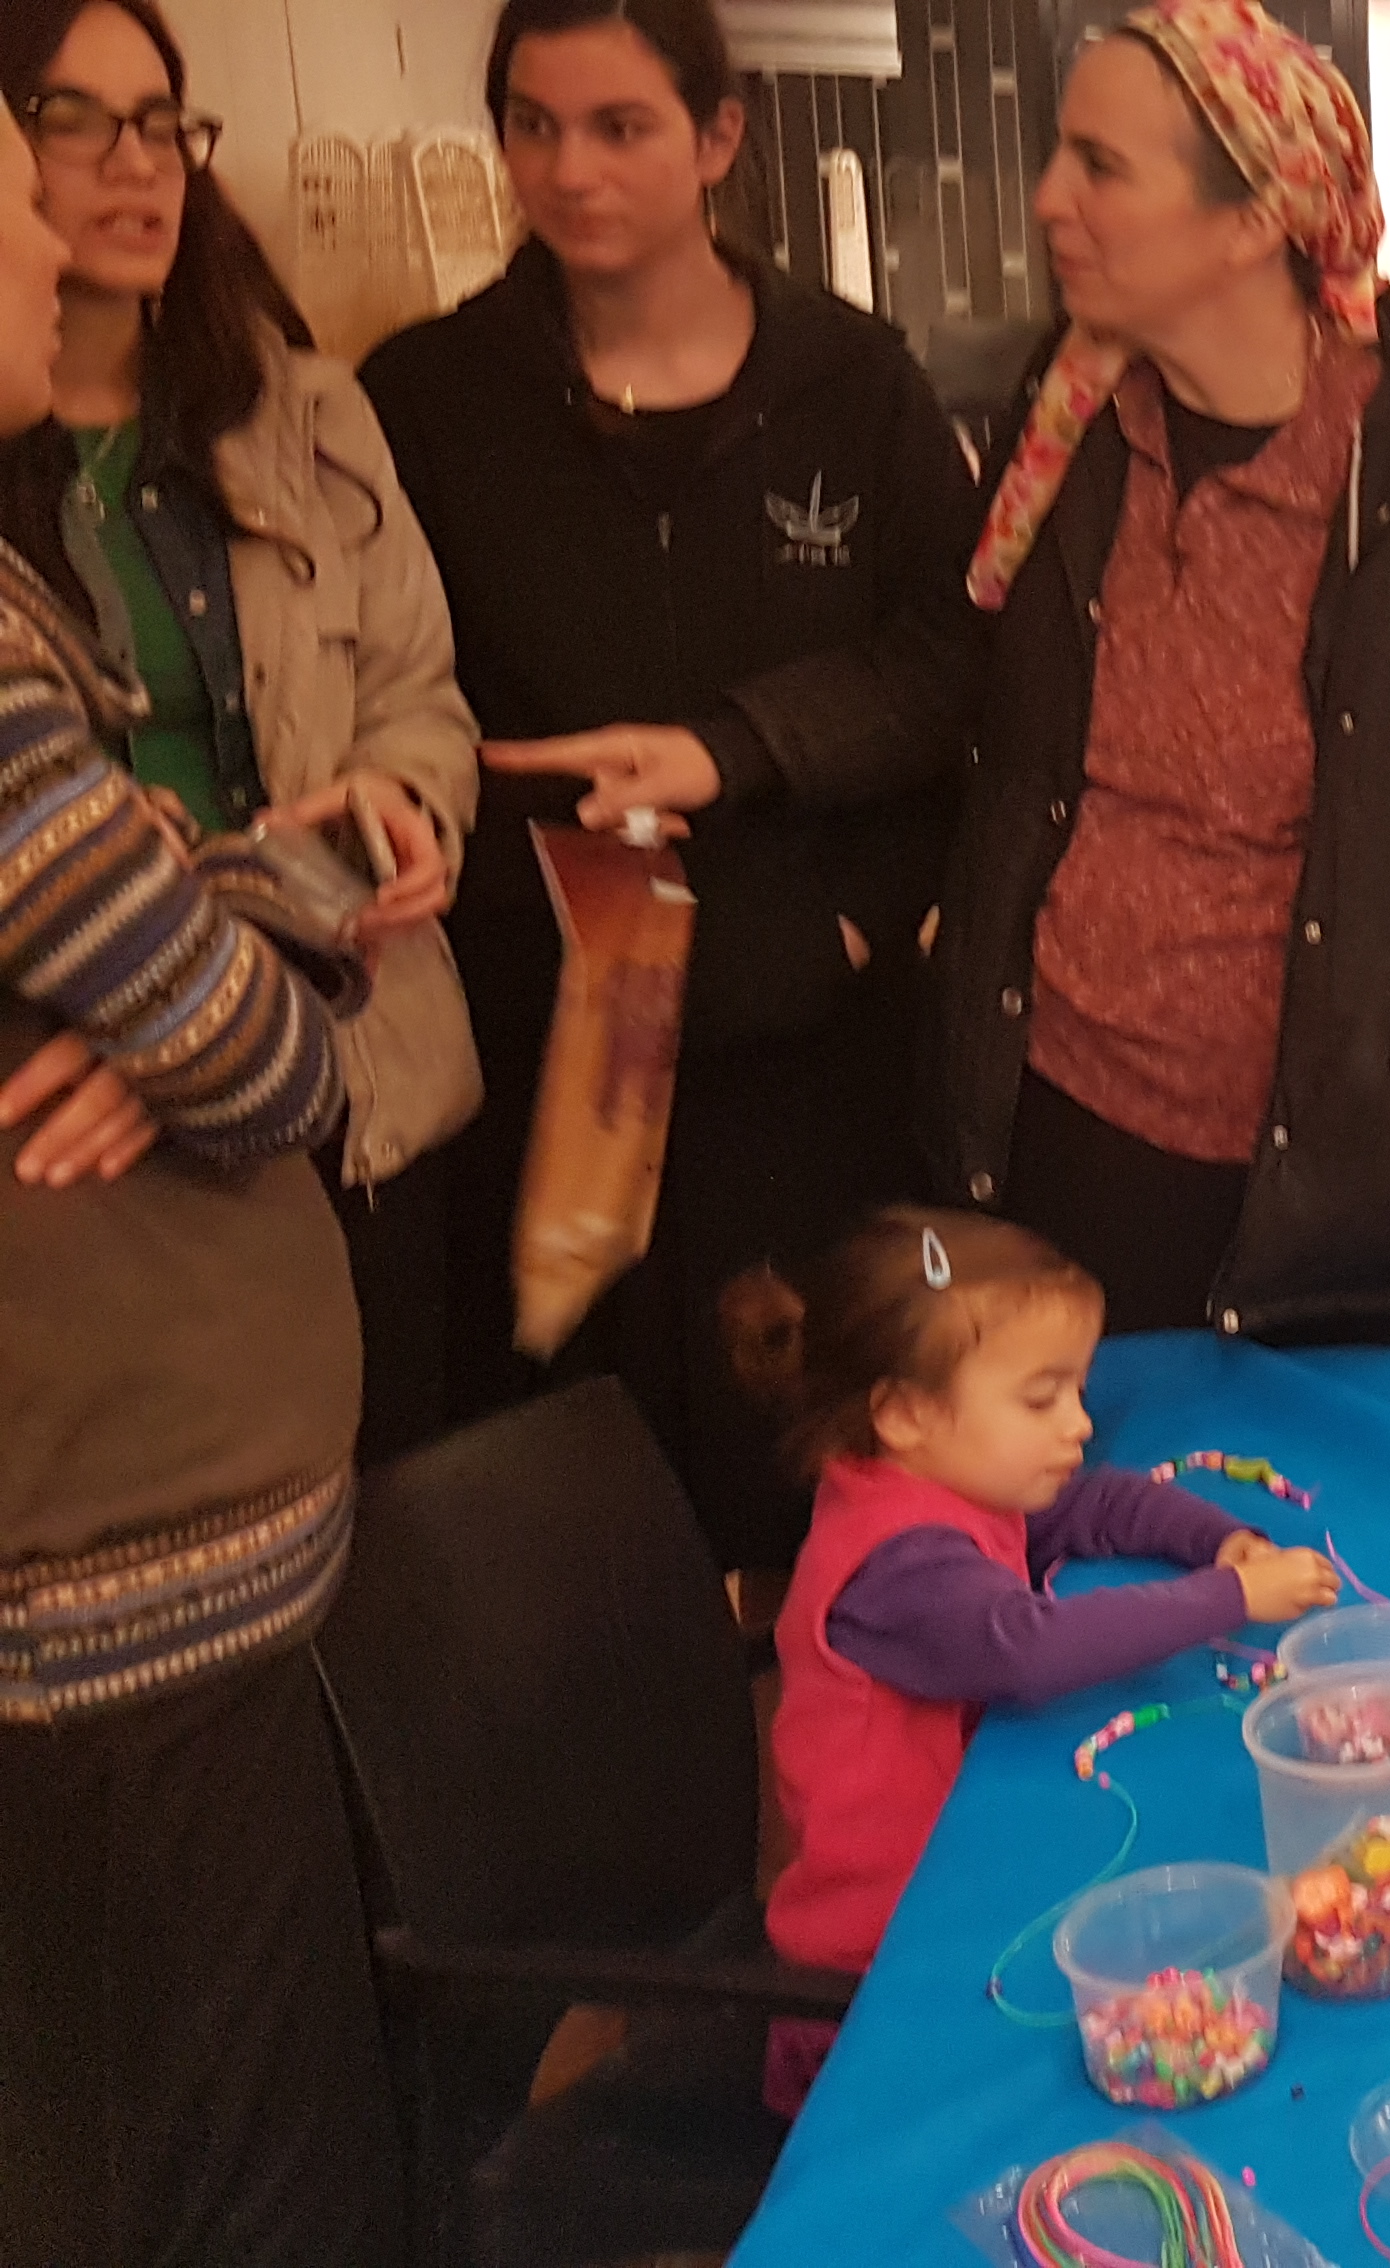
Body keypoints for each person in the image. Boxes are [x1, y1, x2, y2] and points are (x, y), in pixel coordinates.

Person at [361, 0, 981, 1575]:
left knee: (837, 1489)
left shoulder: (855, 383)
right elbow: (382, 691)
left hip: (810, 1046)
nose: (569, 171)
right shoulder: (425, 399)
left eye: (619, 127)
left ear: (717, 138)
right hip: (542, 1052)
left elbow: (953, 670)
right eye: (533, 125)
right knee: (572, 1520)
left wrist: (811, 862)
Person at [932, 0, 1390, 1349]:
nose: (1048, 199)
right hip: (1073, 1163)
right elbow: (989, 720)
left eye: (1100, 166)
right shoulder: (1070, 425)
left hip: (1364, 1213)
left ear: (1258, 217)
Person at [0, 96, 398, 2261]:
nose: (54, 248)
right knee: (214, 2168)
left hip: (158, 1559)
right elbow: (257, 1053)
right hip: (107, 1591)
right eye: (21, 196)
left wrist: (204, 908)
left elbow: (204, 909)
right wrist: (224, 970)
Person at [0, 0, 481, 1463]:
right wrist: (161, 1025)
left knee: (408, 1506)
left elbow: (423, 698)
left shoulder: (304, 412)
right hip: (84, 1128)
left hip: (356, 1069)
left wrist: (405, 804)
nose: (136, 163)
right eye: (75, 121)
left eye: (162, 123)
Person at [728, 1207, 1341, 2101]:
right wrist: (1233, 1598)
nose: (1079, 1424)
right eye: (1040, 1399)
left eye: (1077, 1393)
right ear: (904, 1413)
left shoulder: (942, 1477)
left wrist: (1217, 1541)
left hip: (955, 1886)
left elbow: (1090, 1505)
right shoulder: (895, 1566)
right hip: (881, 1980)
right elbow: (1032, 1649)